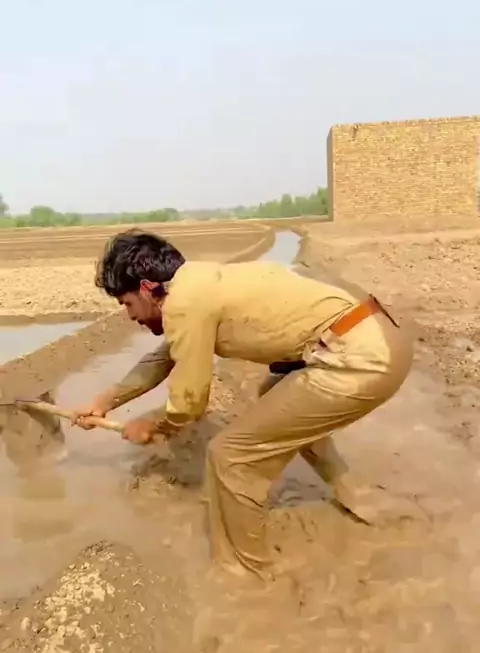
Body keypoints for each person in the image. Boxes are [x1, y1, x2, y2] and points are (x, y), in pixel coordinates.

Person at [73, 230, 413, 578]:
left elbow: (190, 403)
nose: (130, 316)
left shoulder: (184, 304)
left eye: (127, 304)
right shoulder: (196, 284)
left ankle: (244, 573)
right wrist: (103, 403)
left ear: (147, 288)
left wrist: (156, 424)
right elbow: (162, 359)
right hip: (378, 338)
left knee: (230, 456)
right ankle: (358, 495)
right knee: (275, 394)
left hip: (362, 359)